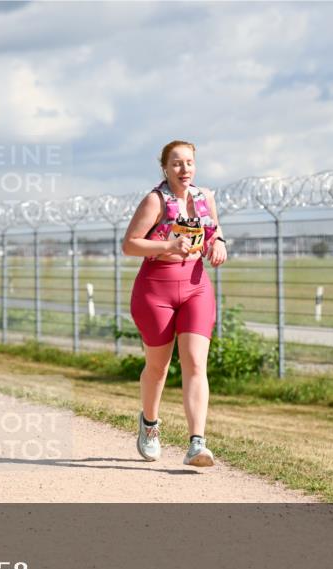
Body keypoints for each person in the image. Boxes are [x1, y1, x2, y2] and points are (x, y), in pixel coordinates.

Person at [122, 140, 228, 467]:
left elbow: (212, 229)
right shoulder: (155, 201)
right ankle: (150, 425)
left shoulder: (204, 197)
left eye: (190, 163)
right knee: (159, 366)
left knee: (195, 362)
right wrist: (168, 245)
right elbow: (129, 245)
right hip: (156, 290)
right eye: (177, 163)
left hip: (196, 286)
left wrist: (219, 243)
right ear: (165, 168)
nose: (185, 169)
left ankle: (197, 443)